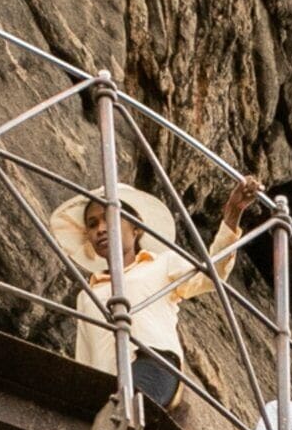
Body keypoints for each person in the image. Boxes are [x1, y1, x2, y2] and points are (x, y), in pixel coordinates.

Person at [47, 174, 257, 414]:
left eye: (109, 219)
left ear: (136, 227)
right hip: (108, 384)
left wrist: (232, 215)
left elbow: (212, 275)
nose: (101, 229)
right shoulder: (88, 293)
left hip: (153, 361)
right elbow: (84, 356)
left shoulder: (161, 264)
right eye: (93, 224)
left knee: (127, 408)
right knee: (109, 413)